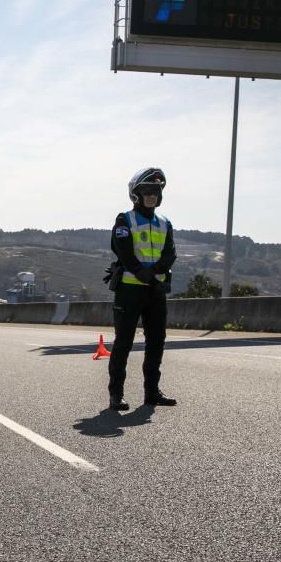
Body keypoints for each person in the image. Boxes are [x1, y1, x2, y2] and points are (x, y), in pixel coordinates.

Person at [104, 167, 178, 411]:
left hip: (155, 291)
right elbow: (122, 248)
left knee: (157, 341)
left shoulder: (164, 222)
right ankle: (116, 395)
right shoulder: (125, 220)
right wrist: (138, 270)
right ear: (136, 194)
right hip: (129, 289)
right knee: (123, 342)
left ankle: (152, 392)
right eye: (147, 191)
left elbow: (171, 252)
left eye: (156, 191)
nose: (152, 196)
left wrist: (158, 268)